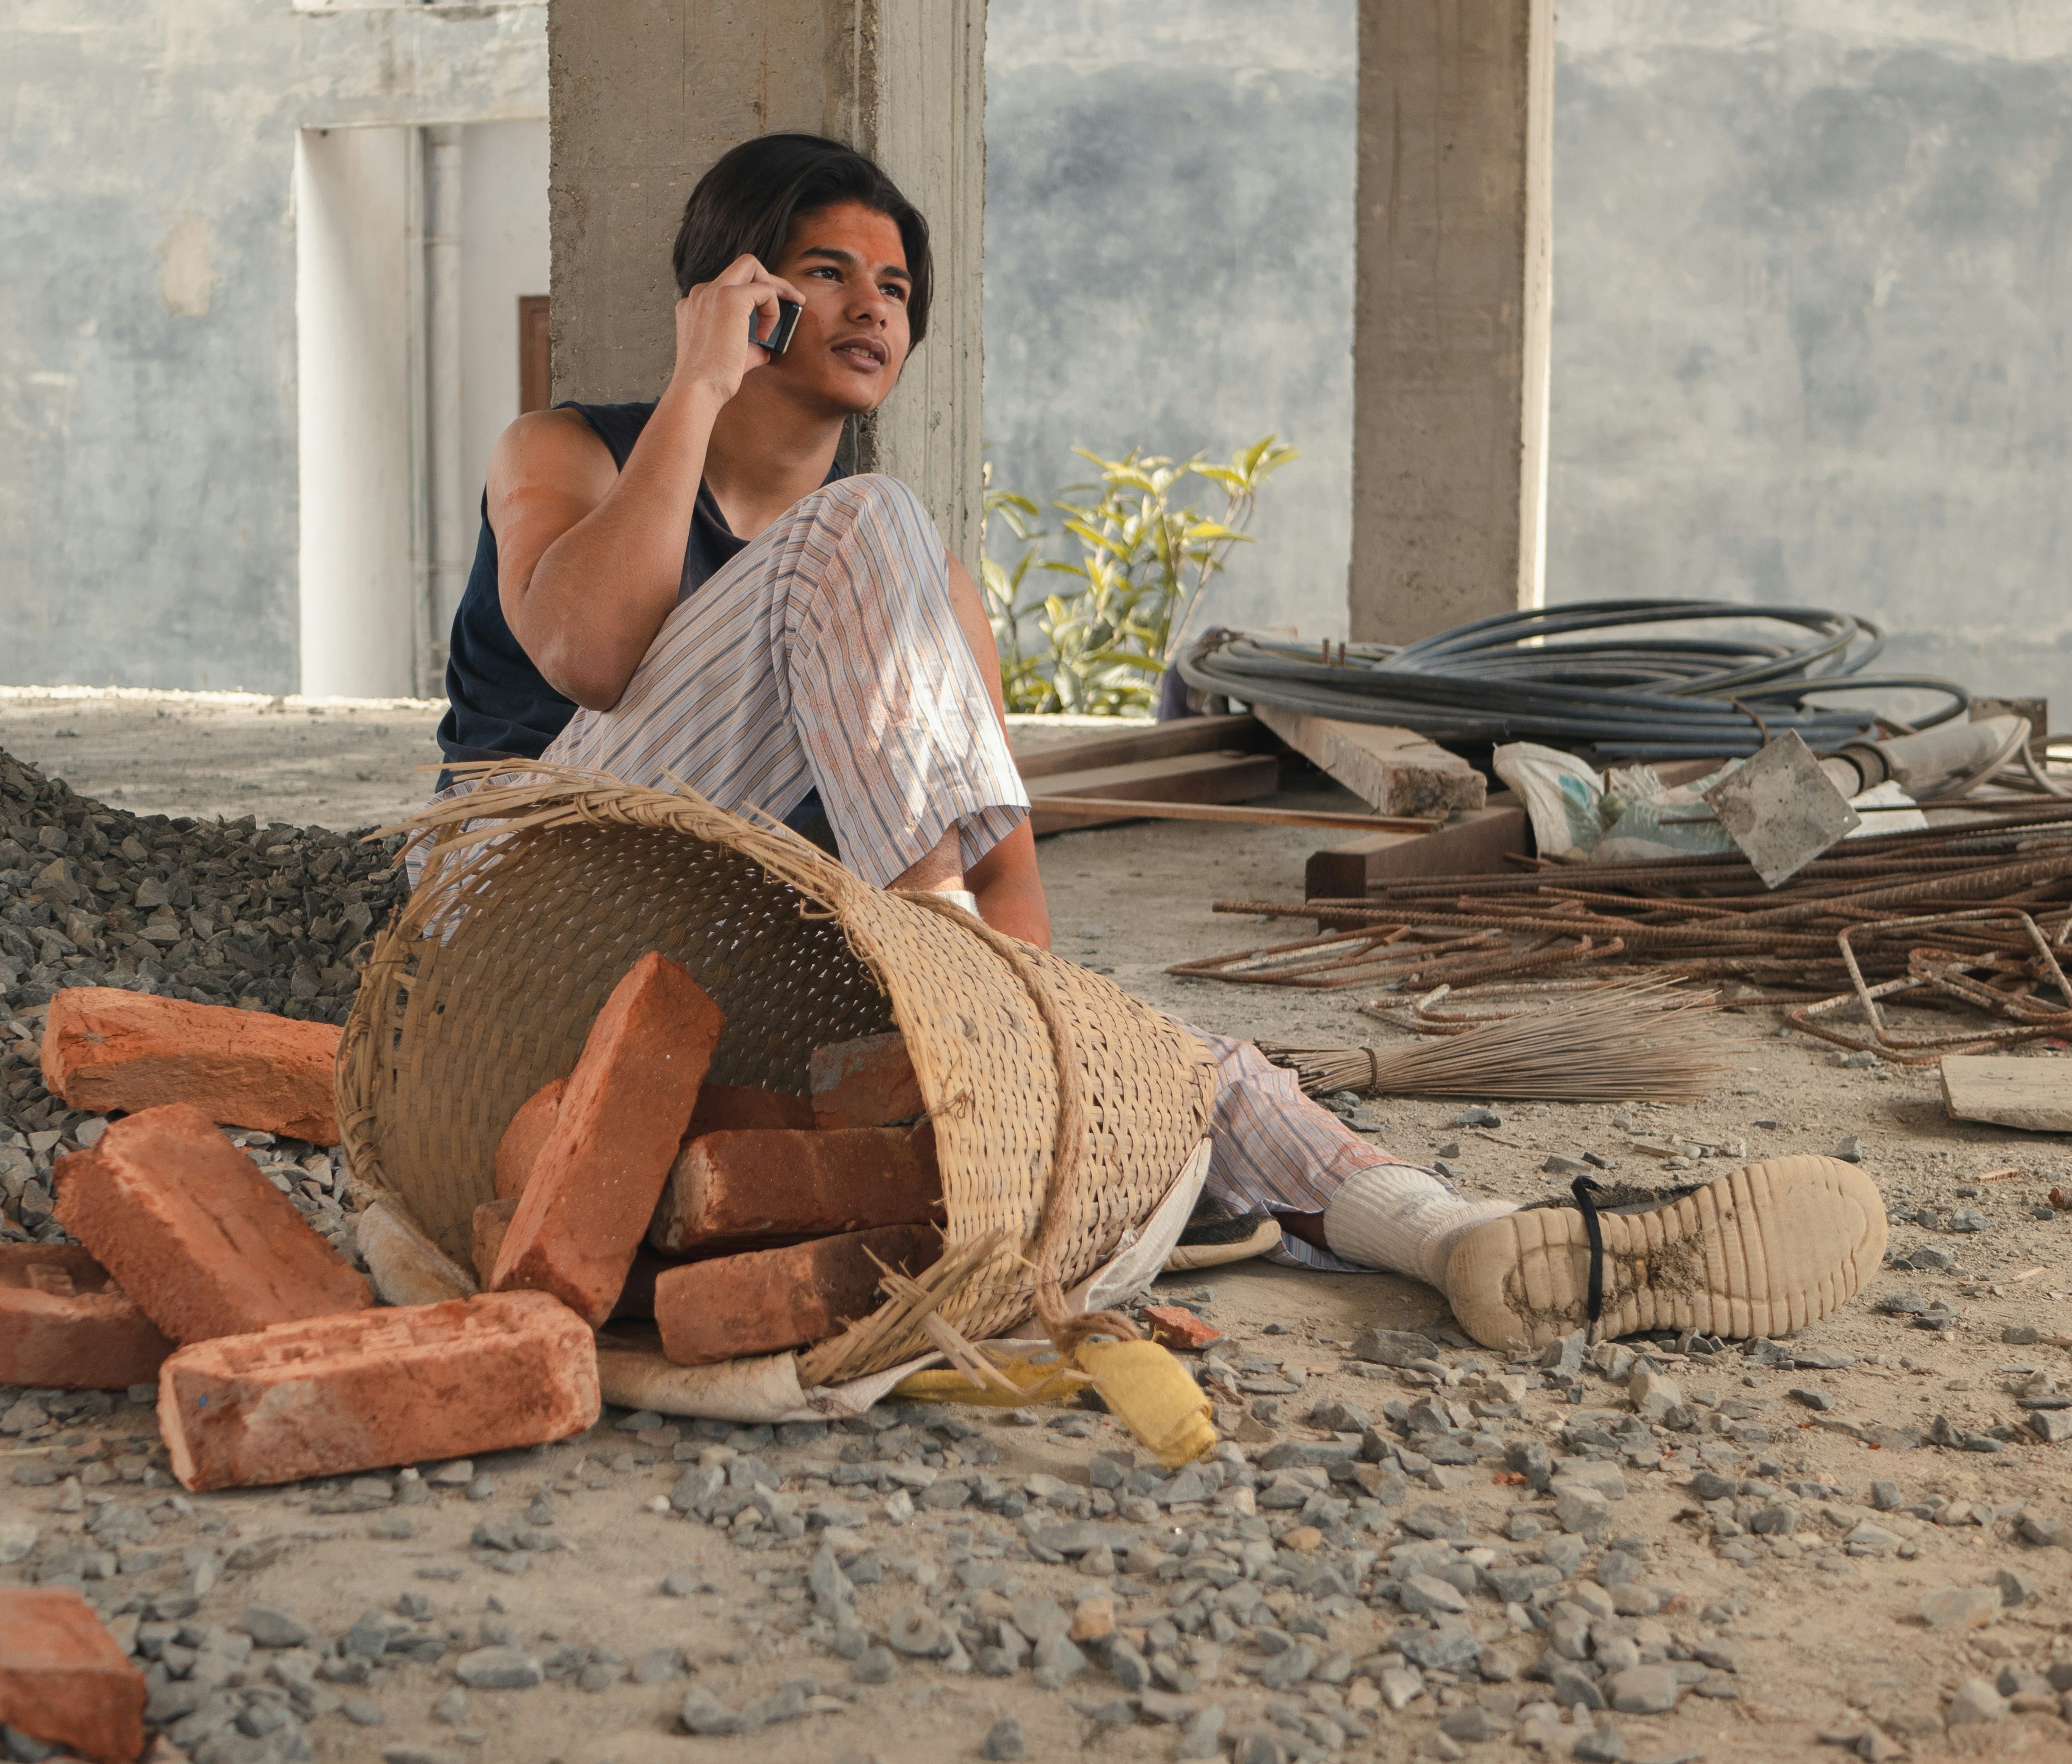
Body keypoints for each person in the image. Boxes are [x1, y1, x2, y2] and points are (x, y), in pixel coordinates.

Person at [435, 133, 1884, 1351]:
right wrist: (696, 386)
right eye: (826, 272)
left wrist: (1070, 1035)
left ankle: (1466, 1240)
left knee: (1176, 1053)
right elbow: (589, 654)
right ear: (733, 291)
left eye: (896, 284)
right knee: (870, 523)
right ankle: (1001, 1064)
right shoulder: (569, 450)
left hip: (711, 961)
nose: (875, 304)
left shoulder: (906, 579)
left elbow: (1003, 856)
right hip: (524, 923)